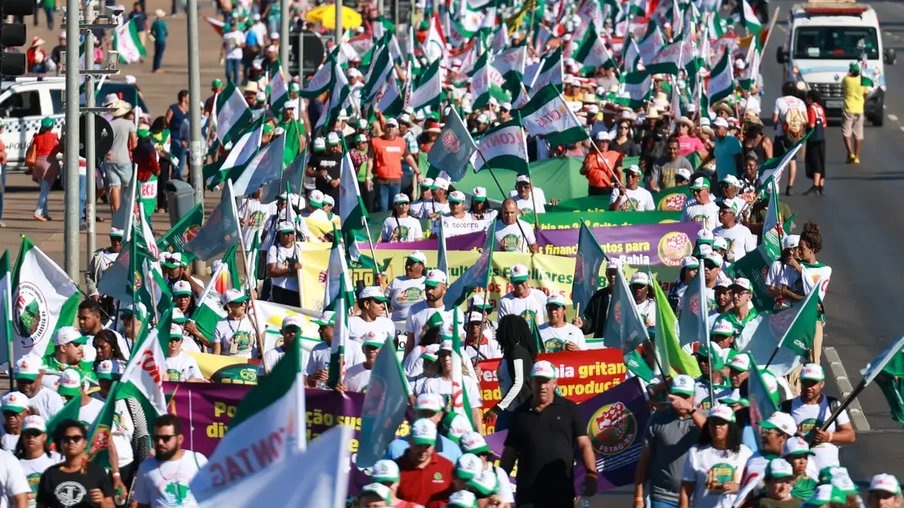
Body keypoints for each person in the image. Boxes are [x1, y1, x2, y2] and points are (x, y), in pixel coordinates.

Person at [500, 360, 597, 506]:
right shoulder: (519, 414)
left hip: (561, 490)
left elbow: (584, 445)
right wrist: (499, 484)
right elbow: (510, 452)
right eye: (538, 381)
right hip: (528, 494)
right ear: (530, 383)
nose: (542, 386)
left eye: (546, 381)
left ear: (555, 383)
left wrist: (591, 473)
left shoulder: (569, 409)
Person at [635, 375, 707, 508]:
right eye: (677, 396)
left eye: (685, 397)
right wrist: (638, 497)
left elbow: (711, 432)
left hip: (696, 496)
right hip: (663, 495)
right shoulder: (658, 418)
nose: (680, 401)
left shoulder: (704, 416)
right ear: (669, 394)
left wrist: (691, 410)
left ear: (694, 395)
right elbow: (645, 459)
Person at [781, 364, 855, 472]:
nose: (809, 387)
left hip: (829, 473)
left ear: (822, 384)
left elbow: (850, 436)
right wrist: (794, 437)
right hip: (799, 476)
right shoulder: (787, 406)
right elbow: (777, 439)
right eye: (805, 382)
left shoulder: (832, 404)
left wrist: (828, 436)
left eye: (813, 383)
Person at [679, 405, 753, 508]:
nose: (717, 427)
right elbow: (685, 491)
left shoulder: (745, 453)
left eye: (722, 423)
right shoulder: (696, 452)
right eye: (713, 423)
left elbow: (756, 489)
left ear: (730, 426)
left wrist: (738, 488)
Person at [780, 222, 830, 364]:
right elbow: (784, 291)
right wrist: (805, 300)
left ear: (812, 249)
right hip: (794, 316)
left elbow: (815, 295)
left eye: (801, 249)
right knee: (793, 361)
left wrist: (799, 268)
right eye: (797, 248)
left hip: (813, 320)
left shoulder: (824, 270)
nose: (799, 252)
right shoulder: (791, 266)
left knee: (813, 361)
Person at [132, 414, 208, 508]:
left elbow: (213, 494)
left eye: (166, 438)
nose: (160, 442)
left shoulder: (198, 461)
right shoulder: (146, 467)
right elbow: (143, 504)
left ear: (179, 439)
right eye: (156, 438)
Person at [37, 420, 113, 508]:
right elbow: (40, 505)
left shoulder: (97, 471)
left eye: (76, 438)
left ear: (85, 443)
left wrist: (102, 501)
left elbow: (110, 504)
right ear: (60, 444)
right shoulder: (50, 474)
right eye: (66, 439)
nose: (71, 442)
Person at [420, 340, 483, 430]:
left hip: (463, 433)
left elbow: (475, 412)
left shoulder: (468, 382)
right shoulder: (430, 383)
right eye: (443, 355)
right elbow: (424, 412)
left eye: (450, 355)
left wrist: (480, 436)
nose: (446, 358)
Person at [386, 394, 464, 464]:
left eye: (431, 414)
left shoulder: (453, 450)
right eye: (422, 413)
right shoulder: (395, 447)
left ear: (439, 416)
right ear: (414, 414)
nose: (426, 418)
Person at [404, 270, 464, 359]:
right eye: (427, 287)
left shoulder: (454, 311)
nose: (429, 291)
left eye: (433, 287)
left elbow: (461, 340)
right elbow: (410, 343)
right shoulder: (414, 309)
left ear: (444, 288)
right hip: (420, 362)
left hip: (446, 362)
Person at [395, 419, 454, 508]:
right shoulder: (396, 468)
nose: (423, 451)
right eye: (419, 445)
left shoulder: (447, 467)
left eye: (427, 446)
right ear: (410, 440)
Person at [368, 117, 419, 212]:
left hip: (396, 180)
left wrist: (418, 172)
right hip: (381, 180)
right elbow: (370, 159)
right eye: (388, 126)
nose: (390, 129)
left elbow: (408, 157)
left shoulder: (401, 142)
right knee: (383, 207)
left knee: (395, 207)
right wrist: (367, 177)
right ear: (384, 128)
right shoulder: (375, 141)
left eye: (393, 126)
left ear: (397, 129)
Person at [305, 311, 366, 388]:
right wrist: (314, 378)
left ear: (336, 328)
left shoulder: (355, 347)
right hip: (324, 396)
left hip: (347, 396)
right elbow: (309, 382)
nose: (319, 330)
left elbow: (360, 378)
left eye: (323, 327)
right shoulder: (317, 349)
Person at [15, 415, 62, 508]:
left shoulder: (57, 460)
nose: (31, 437)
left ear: (44, 436)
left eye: (35, 433)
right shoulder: (14, 463)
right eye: (28, 433)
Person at [772, 82, 808, 194]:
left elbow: (774, 119)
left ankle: (775, 185)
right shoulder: (800, 102)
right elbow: (805, 120)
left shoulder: (779, 101)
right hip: (795, 135)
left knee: (778, 162)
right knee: (793, 161)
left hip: (781, 134)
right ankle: (790, 186)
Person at [106, 101, 138, 213]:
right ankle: (129, 210)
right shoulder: (129, 124)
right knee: (128, 187)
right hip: (124, 158)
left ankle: (117, 211)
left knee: (115, 186)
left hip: (109, 159)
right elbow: (134, 143)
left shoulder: (109, 124)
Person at [27, 117, 60, 222]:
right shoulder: (53, 137)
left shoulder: (37, 137)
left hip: (38, 163)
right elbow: (59, 148)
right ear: (51, 126)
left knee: (43, 189)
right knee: (45, 191)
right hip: (48, 163)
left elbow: (31, 150)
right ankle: (38, 211)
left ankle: (45, 213)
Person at [213, 289, 258, 358]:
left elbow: (263, 344)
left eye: (244, 302)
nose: (243, 305)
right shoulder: (220, 325)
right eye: (239, 303)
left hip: (249, 364)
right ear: (229, 306)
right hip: (230, 365)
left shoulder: (253, 320)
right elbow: (216, 354)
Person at [86, 229, 124, 310]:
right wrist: (93, 292)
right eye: (114, 239)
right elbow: (89, 275)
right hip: (102, 299)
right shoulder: (99, 255)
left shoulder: (128, 256)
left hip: (120, 300)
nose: (116, 242)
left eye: (119, 239)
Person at [384, 251, 427, 322]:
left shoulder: (427, 282)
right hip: (397, 325)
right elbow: (385, 302)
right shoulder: (396, 281)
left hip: (419, 326)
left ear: (422, 266)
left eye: (411, 264)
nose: (408, 266)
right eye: (407, 264)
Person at [266, 222, 300, 306]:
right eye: (285, 233)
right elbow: (271, 272)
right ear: (279, 234)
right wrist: (289, 270)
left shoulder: (299, 248)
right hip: (280, 290)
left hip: (297, 291)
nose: (289, 235)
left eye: (291, 233)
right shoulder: (274, 249)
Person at [713, 198, 756, 263]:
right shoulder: (714, 232)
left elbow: (752, 255)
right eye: (719, 211)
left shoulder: (744, 231)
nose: (720, 214)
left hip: (737, 271)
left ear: (733, 214)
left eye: (724, 212)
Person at [842, 62, 868, 164]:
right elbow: (866, 93)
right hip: (859, 109)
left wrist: (848, 75)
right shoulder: (862, 80)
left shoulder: (847, 79)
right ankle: (857, 157)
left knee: (846, 133)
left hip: (848, 109)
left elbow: (843, 86)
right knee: (858, 134)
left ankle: (850, 152)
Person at [581, 130, 622, 195]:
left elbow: (620, 172)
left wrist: (621, 185)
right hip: (593, 189)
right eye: (602, 141)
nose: (604, 143)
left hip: (609, 188)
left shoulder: (614, 155)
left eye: (607, 141)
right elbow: (581, 172)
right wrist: (586, 168)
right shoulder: (590, 155)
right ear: (597, 142)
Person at [804, 89, 827, 196]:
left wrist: (805, 125)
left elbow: (812, 124)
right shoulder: (820, 108)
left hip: (813, 138)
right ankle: (821, 185)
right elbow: (824, 124)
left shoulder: (811, 108)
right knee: (821, 161)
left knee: (815, 161)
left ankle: (815, 185)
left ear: (810, 98)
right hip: (821, 138)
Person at [165, 91, 190, 179]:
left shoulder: (188, 110)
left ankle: (177, 175)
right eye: (188, 97)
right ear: (183, 98)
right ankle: (176, 175)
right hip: (175, 136)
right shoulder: (173, 108)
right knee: (176, 157)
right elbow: (167, 121)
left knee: (182, 158)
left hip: (185, 138)